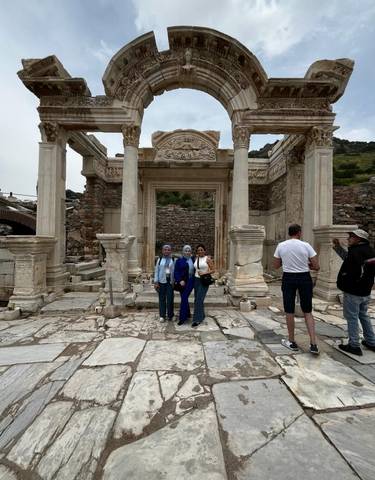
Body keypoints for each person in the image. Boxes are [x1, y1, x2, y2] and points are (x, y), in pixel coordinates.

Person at [273, 224, 320, 354]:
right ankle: (313, 344)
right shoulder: (306, 245)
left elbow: (276, 265)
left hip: (288, 278)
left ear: (289, 233)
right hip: (304, 277)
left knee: (289, 310)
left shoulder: (281, 246)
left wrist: (286, 261)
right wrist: (307, 264)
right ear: (299, 233)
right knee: (307, 311)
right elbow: (316, 266)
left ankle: (292, 341)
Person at [332, 228, 375, 356]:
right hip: (365, 290)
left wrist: (346, 284)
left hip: (354, 291)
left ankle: (354, 345)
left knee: (352, 317)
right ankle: (371, 342)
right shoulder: (369, 251)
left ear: (359, 239)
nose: (348, 238)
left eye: (351, 236)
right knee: (363, 315)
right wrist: (338, 247)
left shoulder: (356, 252)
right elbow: (349, 260)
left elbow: (352, 270)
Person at [192, 244, 214, 327]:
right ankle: (202, 315)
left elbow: (213, 270)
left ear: (204, 251)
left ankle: (197, 319)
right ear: (197, 251)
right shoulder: (196, 258)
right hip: (196, 280)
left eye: (202, 250)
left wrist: (204, 272)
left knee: (199, 300)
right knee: (197, 299)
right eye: (198, 250)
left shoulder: (207, 259)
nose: (200, 251)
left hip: (204, 281)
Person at [174, 245, 195, 325]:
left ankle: (183, 317)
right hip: (182, 283)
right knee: (184, 298)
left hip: (191, 281)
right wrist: (179, 280)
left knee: (184, 297)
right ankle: (185, 315)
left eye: (189, 250)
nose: (187, 252)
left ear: (191, 252)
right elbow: (176, 272)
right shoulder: (179, 261)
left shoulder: (193, 260)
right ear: (183, 252)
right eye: (186, 250)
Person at [154, 244, 175, 323]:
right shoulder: (159, 260)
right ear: (162, 251)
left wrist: (174, 281)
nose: (167, 251)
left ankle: (170, 315)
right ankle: (162, 315)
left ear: (170, 251)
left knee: (170, 299)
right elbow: (156, 271)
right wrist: (156, 282)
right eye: (165, 249)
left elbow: (174, 271)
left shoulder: (173, 259)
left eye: (168, 249)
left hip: (170, 281)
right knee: (162, 299)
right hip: (161, 281)